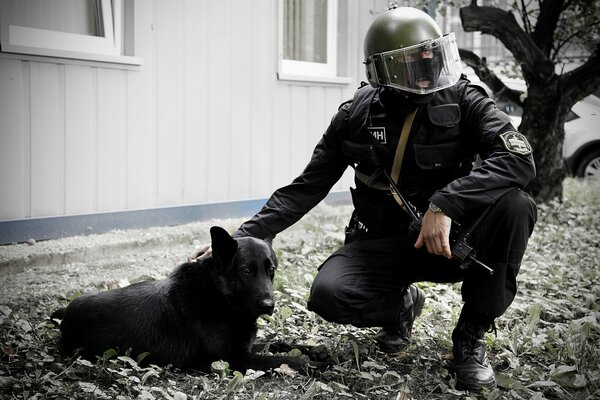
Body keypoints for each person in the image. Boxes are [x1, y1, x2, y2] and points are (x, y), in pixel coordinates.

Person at [191, 5, 537, 391]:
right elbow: (307, 185)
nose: (426, 74)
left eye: (431, 60)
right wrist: (243, 237)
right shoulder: (354, 115)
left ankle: (470, 339)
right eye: (411, 65)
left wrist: (446, 202)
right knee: (328, 295)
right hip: (382, 242)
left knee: (516, 204)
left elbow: (518, 160)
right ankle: (401, 306)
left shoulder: (465, 100)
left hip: (453, 242)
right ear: (382, 71)